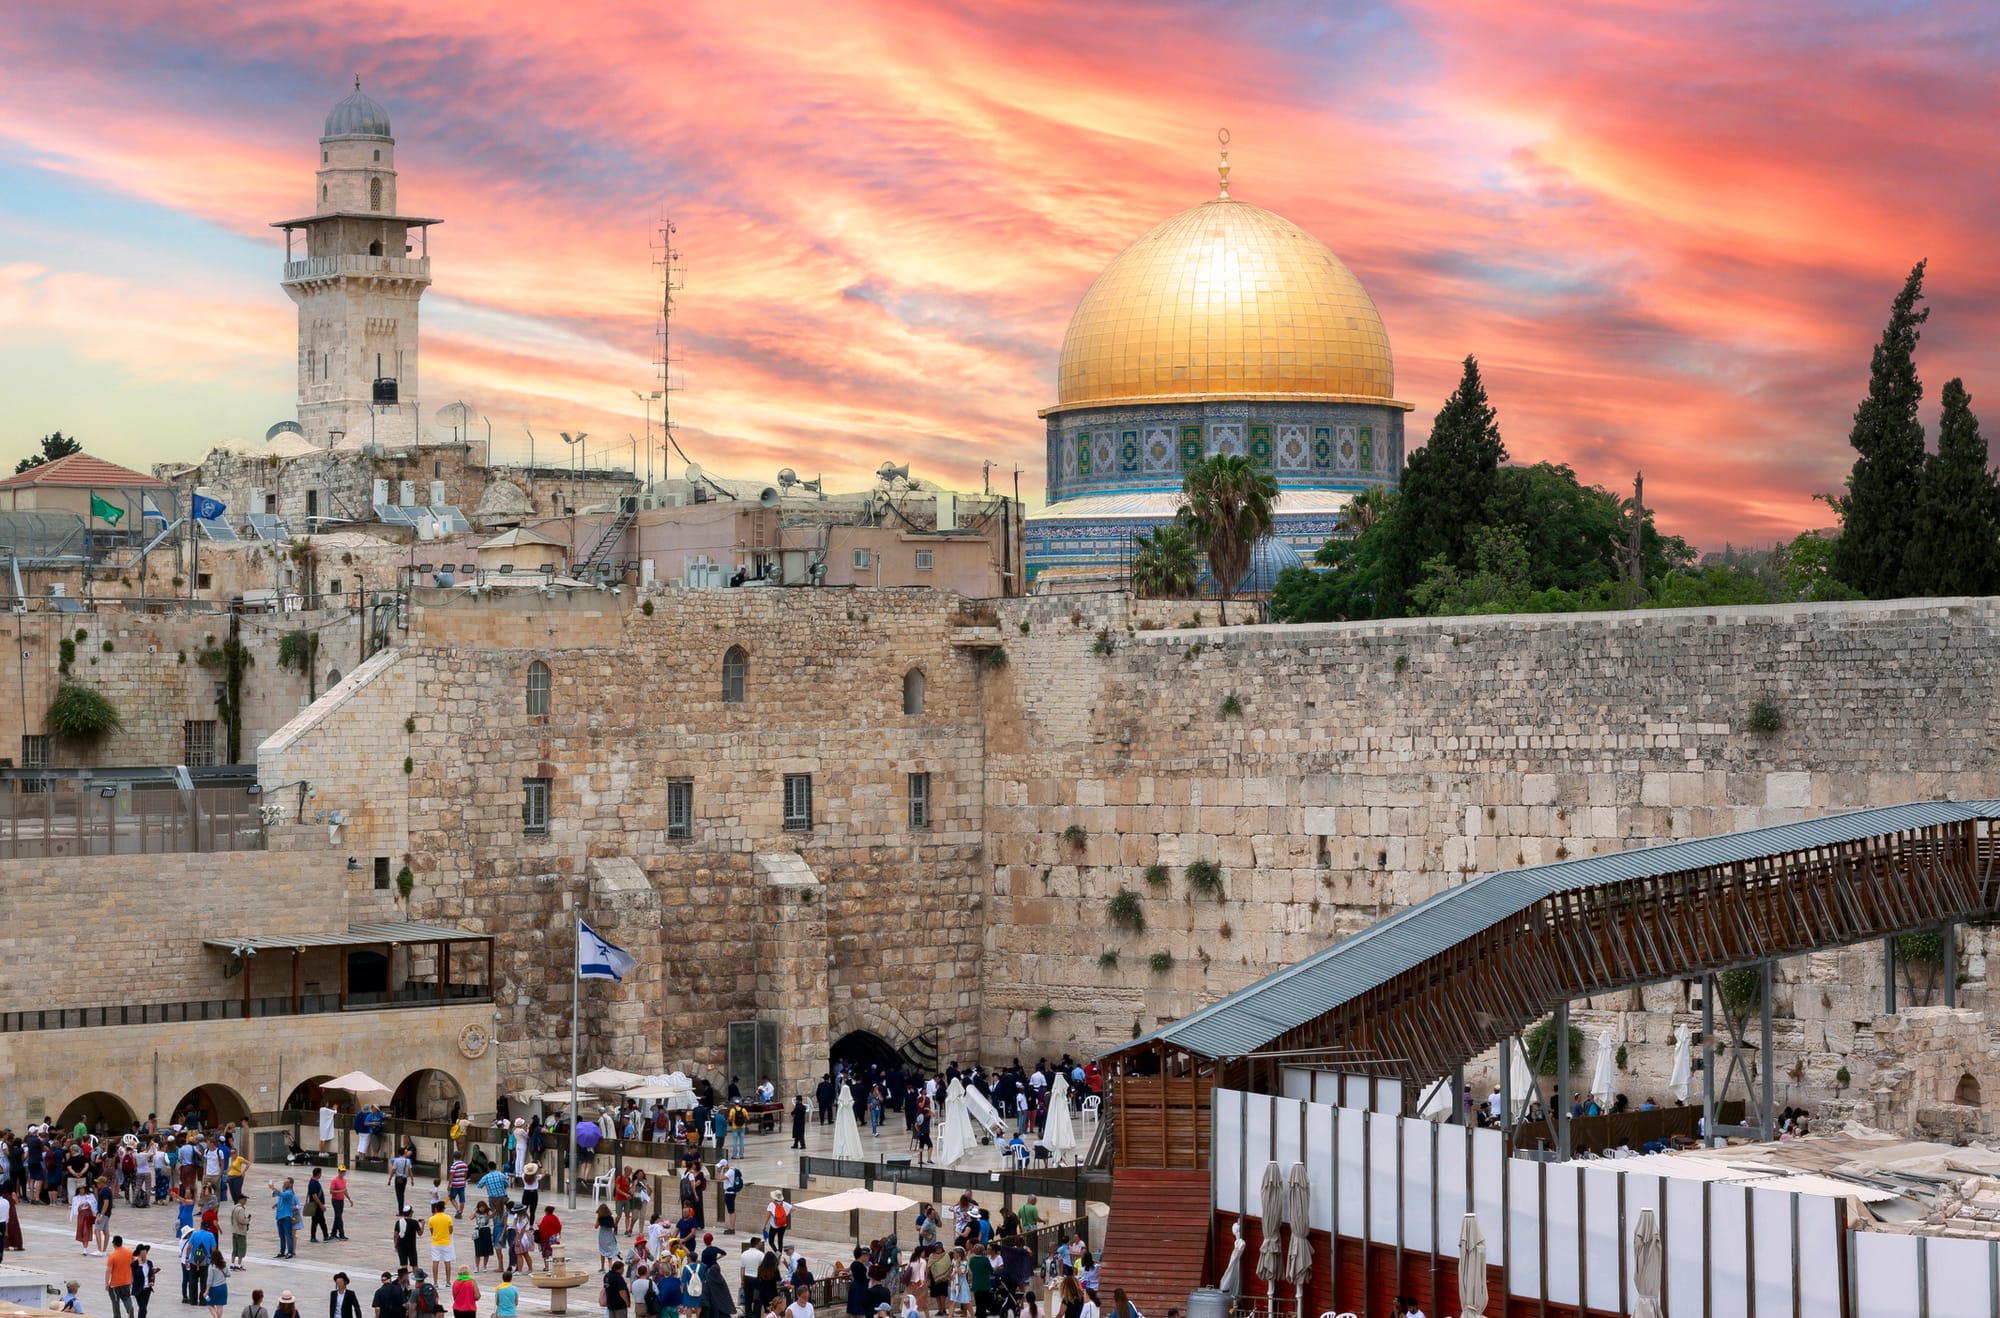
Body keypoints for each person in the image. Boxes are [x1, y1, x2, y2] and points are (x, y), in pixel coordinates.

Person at [106, 1234, 136, 1318]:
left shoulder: (112, 1256)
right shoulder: (130, 1252)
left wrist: (106, 1283)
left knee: (115, 1302)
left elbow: (108, 1270)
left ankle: (117, 1316)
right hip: (127, 1282)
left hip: (115, 1284)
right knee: (126, 1297)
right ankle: (130, 1309)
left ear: (114, 1244)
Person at [270, 1179, 299, 1260]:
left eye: (285, 1182)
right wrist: (276, 1204)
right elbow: (277, 1196)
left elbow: (281, 1194)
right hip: (280, 1216)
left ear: (290, 1184)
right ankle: (282, 1251)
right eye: (283, 1182)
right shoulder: (283, 1192)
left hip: (286, 1216)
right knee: (281, 1236)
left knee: (288, 1235)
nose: (283, 1184)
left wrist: (273, 1188)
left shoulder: (290, 1193)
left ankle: (290, 1252)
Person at [428, 1203, 457, 1283]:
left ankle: (435, 1282)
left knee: (435, 1261)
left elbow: (432, 1232)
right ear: (443, 1209)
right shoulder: (448, 1218)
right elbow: (451, 1230)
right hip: (446, 1242)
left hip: (436, 1243)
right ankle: (448, 1281)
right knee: (447, 1261)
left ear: (436, 1209)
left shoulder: (431, 1219)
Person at [131, 1243, 157, 1318]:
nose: (145, 1255)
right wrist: (140, 1264)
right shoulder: (134, 1264)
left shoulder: (149, 1263)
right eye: (143, 1253)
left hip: (147, 1289)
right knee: (143, 1308)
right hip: (138, 1289)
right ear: (139, 1254)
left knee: (143, 1309)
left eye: (146, 1253)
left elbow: (151, 1273)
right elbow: (136, 1275)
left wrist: (152, 1281)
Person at [204, 1251, 230, 1318]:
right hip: (223, 1288)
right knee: (220, 1305)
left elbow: (210, 1279)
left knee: (209, 1303)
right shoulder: (224, 1265)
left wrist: (206, 1290)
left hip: (214, 1289)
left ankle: (215, 1317)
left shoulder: (211, 1266)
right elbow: (228, 1274)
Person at [598, 1204, 620, 1272]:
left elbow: (595, 1226)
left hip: (602, 1236)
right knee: (609, 1252)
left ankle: (602, 1267)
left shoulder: (599, 1218)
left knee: (602, 1251)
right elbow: (613, 1226)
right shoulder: (610, 1218)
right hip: (610, 1236)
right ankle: (610, 1267)